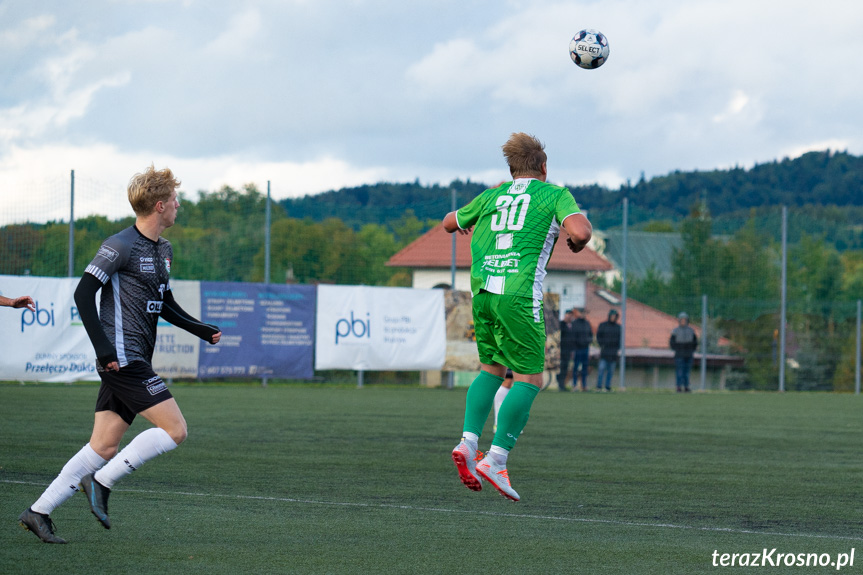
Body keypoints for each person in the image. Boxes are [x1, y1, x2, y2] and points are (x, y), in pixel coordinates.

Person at [19, 165, 221, 544]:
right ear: (160, 205)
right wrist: (104, 349)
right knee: (176, 430)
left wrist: (202, 329)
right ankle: (102, 480)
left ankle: (38, 511)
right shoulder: (119, 245)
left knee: (104, 445)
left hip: (134, 357)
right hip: (123, 359)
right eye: (175, 199)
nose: (179, 204)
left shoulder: (164, 250)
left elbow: (165, 304)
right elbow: (83, 293)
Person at [443, 132, 592, 501]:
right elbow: (581, 230)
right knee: (530, 378)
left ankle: (468, 441)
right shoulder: (554, 194)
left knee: (491, 369)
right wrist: (578, 240)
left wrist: (465, 223)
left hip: (482, 294)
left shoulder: (491, 195)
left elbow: (448, 222)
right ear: (543, 167)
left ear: (512, 170)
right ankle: (496, 458)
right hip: (519, 294)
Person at [670, 311, 698, 392]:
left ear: (687, 321)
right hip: (679, 355)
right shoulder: (675, 331)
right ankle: (678, 387)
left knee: (687, 372)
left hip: (688, 355)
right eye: (681, 320)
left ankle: (686, 387)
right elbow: (672, 343)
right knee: (679, 371)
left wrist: (691, 350)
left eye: (685, 320)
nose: (683, 321)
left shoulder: (691, 331)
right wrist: (677, 350)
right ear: (679, 321)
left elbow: (695, 342)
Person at [595, 309, 621, 391]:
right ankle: (599, 386)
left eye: (615, 316)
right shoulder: (603, 325)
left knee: (611, 371)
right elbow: (598, 336)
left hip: (613, 353)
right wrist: (602, 345)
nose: (613, 318)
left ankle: (607, 387)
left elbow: (620, 339)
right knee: (601, 369)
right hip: (605, 352)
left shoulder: (618, 327)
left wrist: (617, 349)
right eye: (612, 316)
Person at [570, 309, 593, 391]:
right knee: (576, 368)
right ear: (579, 313)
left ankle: (584, 385)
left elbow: (590, 335)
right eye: (582, 313)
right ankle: (574, 385)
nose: (583, 314)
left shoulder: (587, 323)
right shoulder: (575, 323)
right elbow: (572, 336)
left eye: (585, 313)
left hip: (585, 349)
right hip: (577, 349)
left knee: (584, 368)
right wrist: (576, 345)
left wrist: (588, 341)